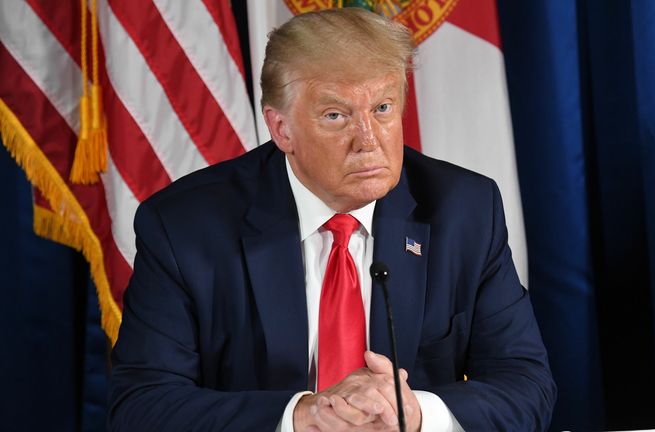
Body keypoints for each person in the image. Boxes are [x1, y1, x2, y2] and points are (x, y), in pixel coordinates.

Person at [108, 7, 556, 432]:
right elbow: (142, 404)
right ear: (281, 128)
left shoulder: (464, 210)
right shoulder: (185, 226)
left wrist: (416, 413)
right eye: (336, 115)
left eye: (382, 108)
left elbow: (526, 385)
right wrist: (302, 417)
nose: (368, 141)